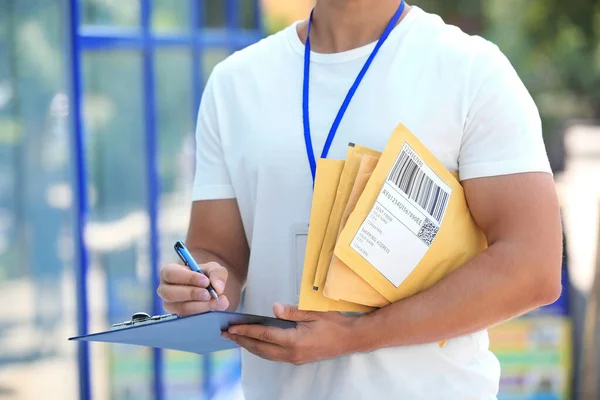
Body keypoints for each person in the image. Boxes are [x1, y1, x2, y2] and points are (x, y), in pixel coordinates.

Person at [157, 0, 563, 399]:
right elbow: (216, 249)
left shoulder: (471, 70)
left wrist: (356, 335)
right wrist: (199, 282)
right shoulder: (235, 83)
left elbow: (532, 268)